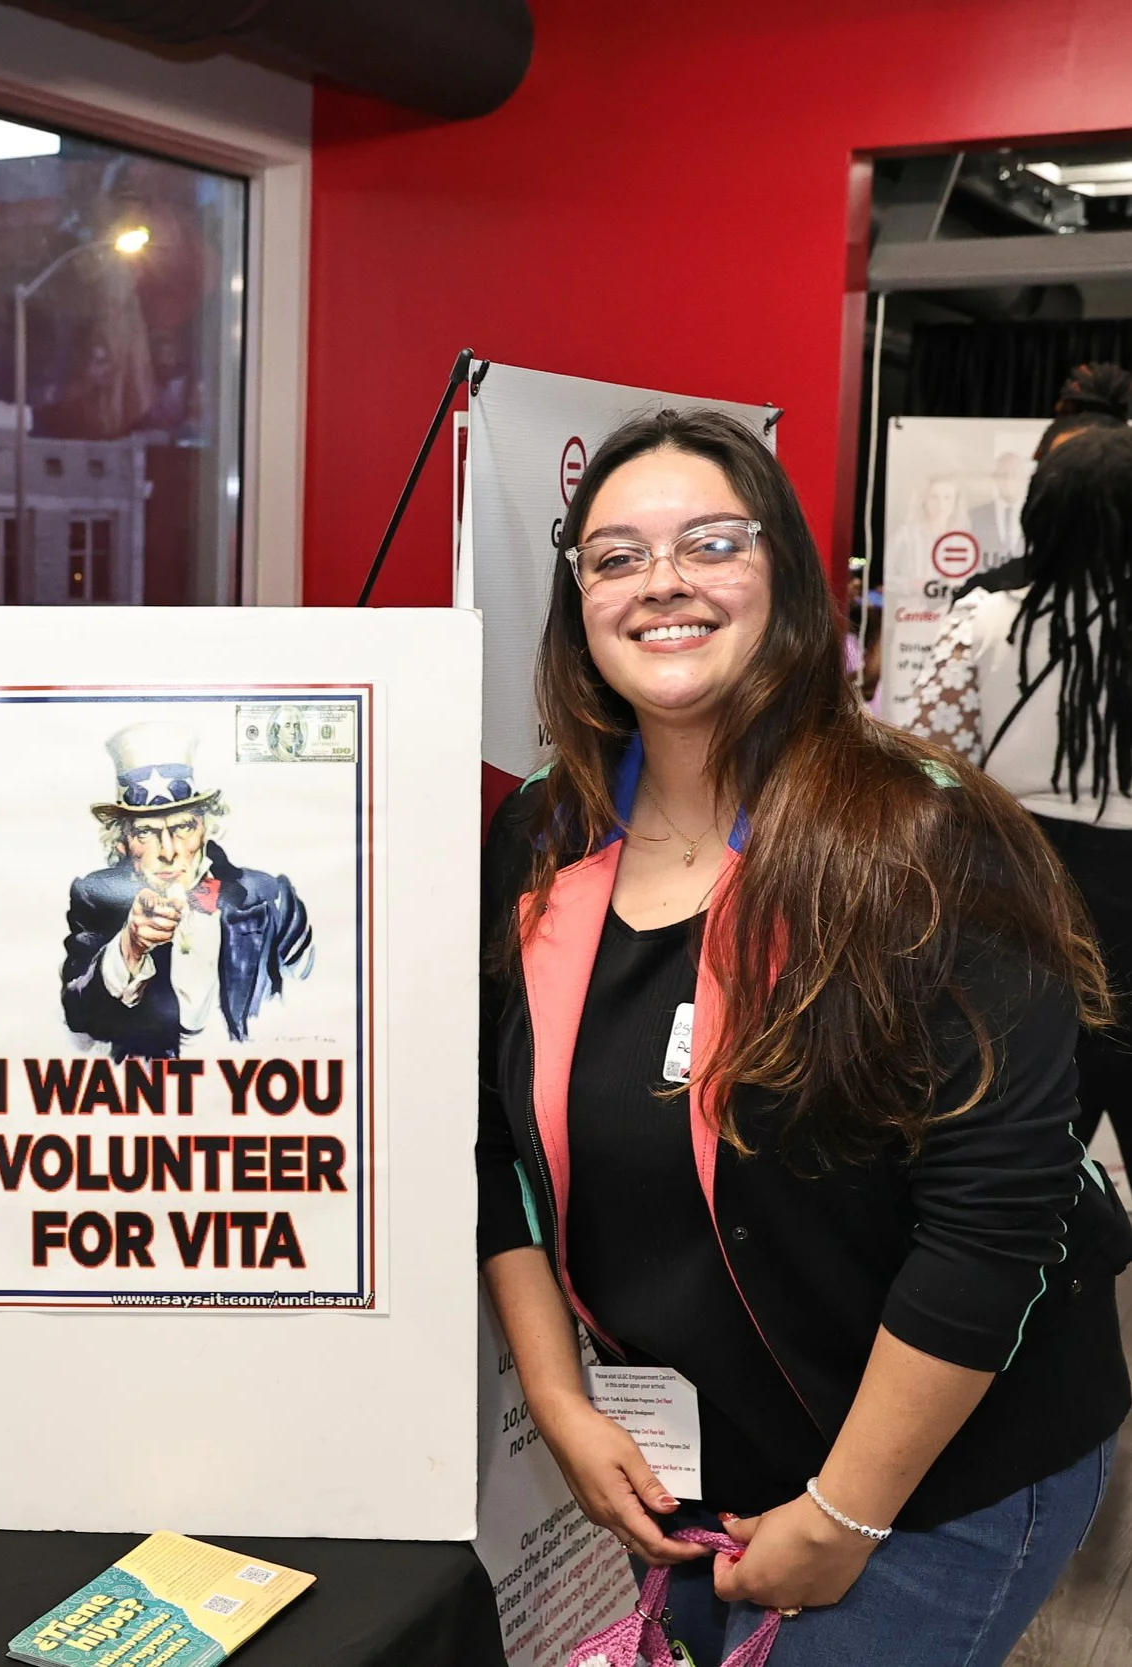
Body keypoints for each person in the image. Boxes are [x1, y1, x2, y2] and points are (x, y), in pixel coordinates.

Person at [478, 408, 1131, 1666]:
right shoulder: (541, 841)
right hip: (699, 1467)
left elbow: (998, 1207)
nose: (661, 580)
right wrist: (558, 1401)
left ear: (782, 574)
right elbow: (491, 1142)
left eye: (709, 542)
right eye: (615, 557)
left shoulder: (923, 843)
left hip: (937, 1476)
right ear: (577, 605)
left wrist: (846, 1511)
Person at [912, 423, 1132, 1171]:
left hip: (1018, 892)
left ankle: (1045, 1277)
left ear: (1042, 509)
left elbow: (930, 771)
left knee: (1022, 1132)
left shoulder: (983, 619)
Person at [62, 722, 312, 1059]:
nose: (168, 850)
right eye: (146, 833)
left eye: (182, 827)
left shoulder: (270, 898)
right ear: (122, 843)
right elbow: (80, 1016)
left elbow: (312, 1005)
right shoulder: (95, 897)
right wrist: (130, 947)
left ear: (205, 828)